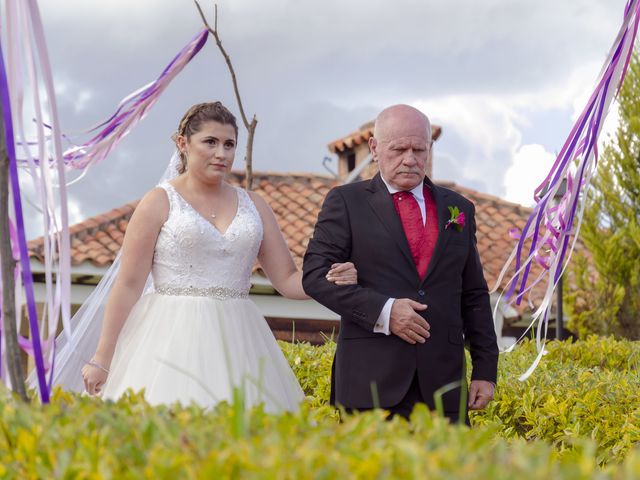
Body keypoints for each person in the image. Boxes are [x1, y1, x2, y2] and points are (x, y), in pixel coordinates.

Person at [79, 101, 358, 411]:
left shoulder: (255, 205)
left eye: (229, 144)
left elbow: (289, 280)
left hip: (240, 340)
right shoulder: (158, 201)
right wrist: (102, 357)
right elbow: (129, 284)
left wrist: (330, 279)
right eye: (210, 142)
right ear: (183, 144)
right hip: (168, 339)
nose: (222, 153)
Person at [302, 104, 498, 423]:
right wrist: (385, 311)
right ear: (374, 148)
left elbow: (474, 294)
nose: (410, 159)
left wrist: (485, 370)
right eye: (399, 149)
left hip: (444, 386)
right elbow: (314, 277)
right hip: (370, 386)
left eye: (419, 149)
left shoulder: (459, 209)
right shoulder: (346, 202)